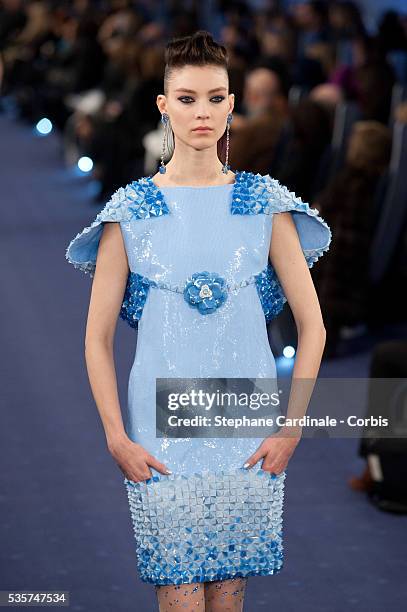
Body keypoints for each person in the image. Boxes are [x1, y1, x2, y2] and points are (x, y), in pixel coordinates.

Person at [65, 30, 332, 612]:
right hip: (161, 427)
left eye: (215, 97)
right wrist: (115, 436)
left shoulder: (263, 204)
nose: (202, 112)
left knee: (228, 601)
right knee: (181, 597)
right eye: (186, 98)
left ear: (232, 103)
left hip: (245, 419)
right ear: (164, 106)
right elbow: (96, 338)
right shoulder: (130, 212)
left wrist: (292, 426)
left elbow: (313, 325)